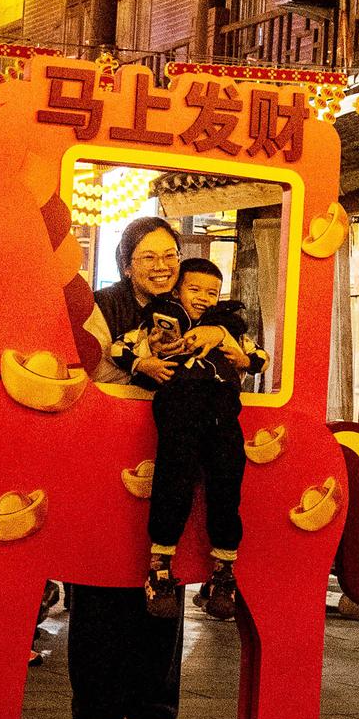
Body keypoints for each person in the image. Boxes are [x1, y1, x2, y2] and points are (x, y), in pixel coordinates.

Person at [71, 216, 186, 719]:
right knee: (98, 590)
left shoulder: (196, 304)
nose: (163, 267)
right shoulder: (101, 306)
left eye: (170, 255)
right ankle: (95, 714)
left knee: (163, 586)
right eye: (150, 258)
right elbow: (85, 371)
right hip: (105, 461)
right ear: (126, 264)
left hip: (171, 461)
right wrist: (137, 365)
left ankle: (153, 714)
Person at [111, 257, 266, 621]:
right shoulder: (161, 321)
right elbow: (119, 348)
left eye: (212, 292)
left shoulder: (228, 327)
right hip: (179, 408)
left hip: (223, 413)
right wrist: (142, 364)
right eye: (194, 289)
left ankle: (222, 574)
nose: (203, 298)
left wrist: (242, 357)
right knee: (173, 481)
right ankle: (159, 569)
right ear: (178, 290)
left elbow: (261, 358)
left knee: (227, 485)